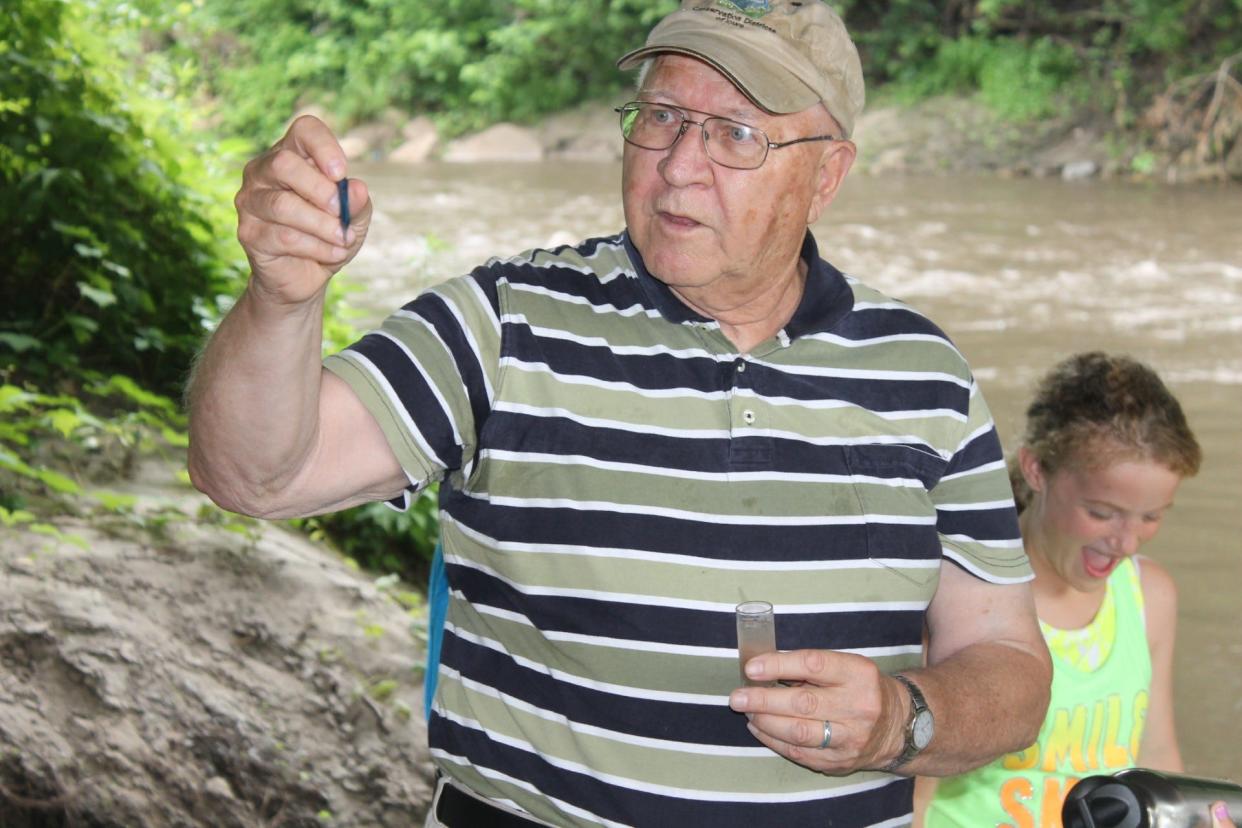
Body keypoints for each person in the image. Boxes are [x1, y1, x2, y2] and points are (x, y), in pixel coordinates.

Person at [187, 1, 1053, 825]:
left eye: (737, 135)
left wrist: (902, 720)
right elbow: (258, 473)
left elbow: (1010, 669)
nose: (679, 165)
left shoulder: (925, 378)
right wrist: (282, 298)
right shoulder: (503, 323)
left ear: (827, 174)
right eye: (661, 117)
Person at [919, 352, 1209, 827]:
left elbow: (1157, 758)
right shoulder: (963, 590)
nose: (1126, 541)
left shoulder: (1149, 597)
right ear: (1037, 470)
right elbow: (914, 787)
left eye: (1151, 516)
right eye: (1100, 512)